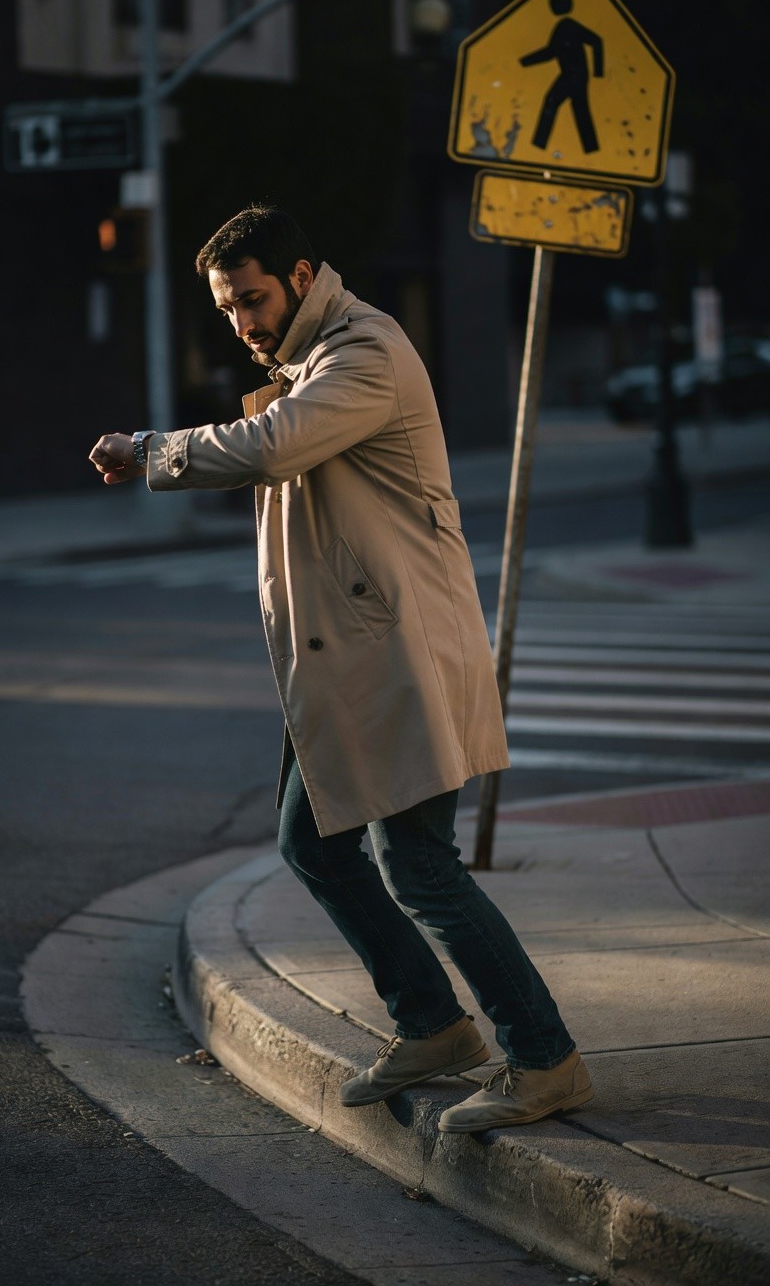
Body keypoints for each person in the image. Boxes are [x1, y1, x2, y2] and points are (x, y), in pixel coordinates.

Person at [88, 205, 592, 1132]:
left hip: (398, 659)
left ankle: (543, 1055)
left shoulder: (365, 353)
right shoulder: (303, 367)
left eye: (252, 298)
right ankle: (434, 1025)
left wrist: (152, 449)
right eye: (228, 308)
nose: (240, 322)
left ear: (304, 274)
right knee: (312, 846)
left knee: (420, 867)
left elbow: (271, 449)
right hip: (345, 664)